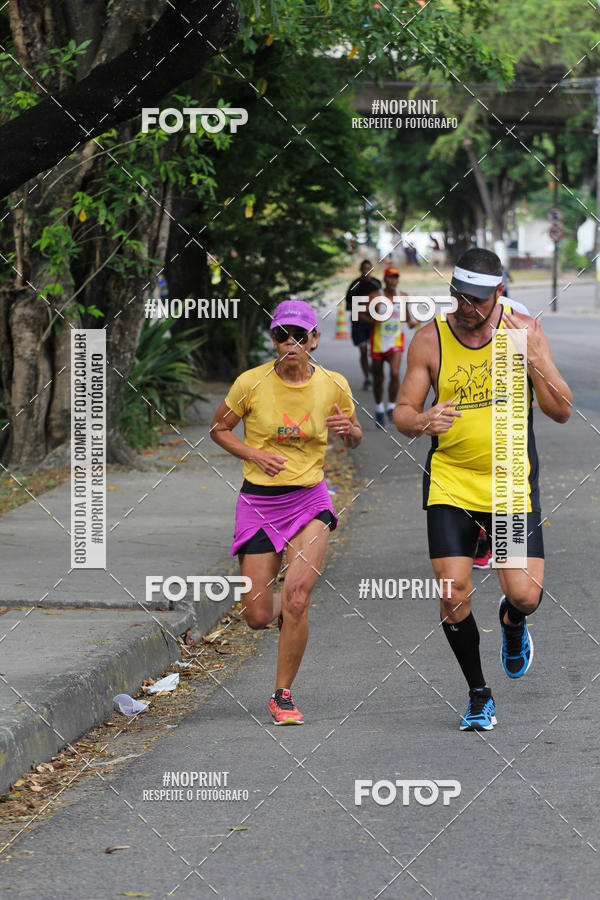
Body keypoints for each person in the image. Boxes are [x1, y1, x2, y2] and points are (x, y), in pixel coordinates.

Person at [394, 248, 572, 731]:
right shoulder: (430, 339)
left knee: (526, 596)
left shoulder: (525, 330)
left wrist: (534, 358)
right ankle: (479, 693)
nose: (466, 308)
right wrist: (423, 421)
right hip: (451, 482)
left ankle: (512, 624)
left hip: (511, 485)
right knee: (453, 593)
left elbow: (561, 410)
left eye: (476, 299)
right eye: (458, 297)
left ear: (498, 293)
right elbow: (403, 412)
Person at [210, 300, 362, 725]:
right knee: (257, 616)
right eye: (282, 335)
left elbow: (354, 437)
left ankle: (282, 694)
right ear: (273, 338)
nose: (291, 343)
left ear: (315, 339)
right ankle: (284, 618)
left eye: (300, 335)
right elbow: (218, 429)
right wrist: (254, 453)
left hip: (309, 501)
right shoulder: (250, 383)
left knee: (297, 597)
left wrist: (349, 431)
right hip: (259, 502)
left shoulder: (333, 384)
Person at [361, 265, 416, 428]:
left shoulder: (403, 296)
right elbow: (360, 314)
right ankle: (379, 409)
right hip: (378, 342)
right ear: (385, 279)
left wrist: (413, 322)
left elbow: (408, 318)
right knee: (378, 378)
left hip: (395, 341)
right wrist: (372, 320)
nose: (393, 280)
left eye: (396, 277)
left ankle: (392, 406)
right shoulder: (375, 296)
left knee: (395, 372)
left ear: (398, 280)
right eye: (390, 277)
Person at [345, 259, 381, 389]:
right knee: (363, 350)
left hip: (374, 323)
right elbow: (348, 306)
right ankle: (367, 378)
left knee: (374, 351)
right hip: (359, 323)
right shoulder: (355, 285)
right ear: (361, 270)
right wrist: (363, 308)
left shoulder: (376, 283)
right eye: (364, 269)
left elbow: (382, 302)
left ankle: (374, 372)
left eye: (369, 268)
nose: (367, 271)